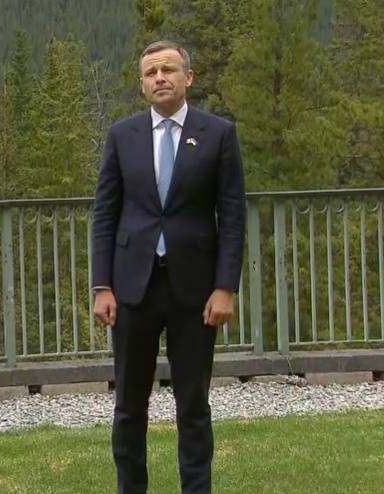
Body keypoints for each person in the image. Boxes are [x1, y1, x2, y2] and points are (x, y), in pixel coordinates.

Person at [91, 40, 246, 493]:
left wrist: (225, 286)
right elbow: (105, 214)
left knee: (193, 406)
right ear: (142, 85)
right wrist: (102, 285)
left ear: (188, 77)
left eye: (168, 70)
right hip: (131, 289)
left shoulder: (218, 134)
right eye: (150, 73)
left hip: (195, 292)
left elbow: (232, 215)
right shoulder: (122, 136)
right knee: (128, 407)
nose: (160, 78)